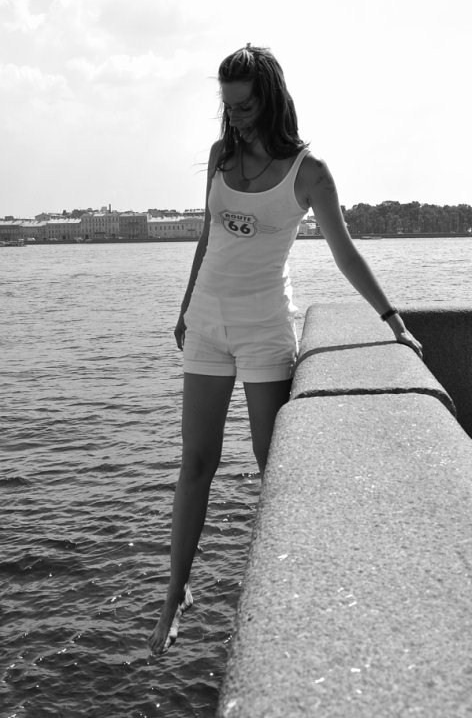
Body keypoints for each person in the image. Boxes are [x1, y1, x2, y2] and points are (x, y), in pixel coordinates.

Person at [149, 44, 422, 654]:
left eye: (246, 106)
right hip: (208, 323)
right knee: (196, 461)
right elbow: (206, 240)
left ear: (271, 99)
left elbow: (344, 252)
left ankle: (298, 582)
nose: (236, 117)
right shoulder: (220, 156)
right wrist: (185, 307)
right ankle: (176, 590)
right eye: (228, 107)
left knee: (273, 462)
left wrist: (393, 320)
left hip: (265, 328)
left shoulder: (308, 171)